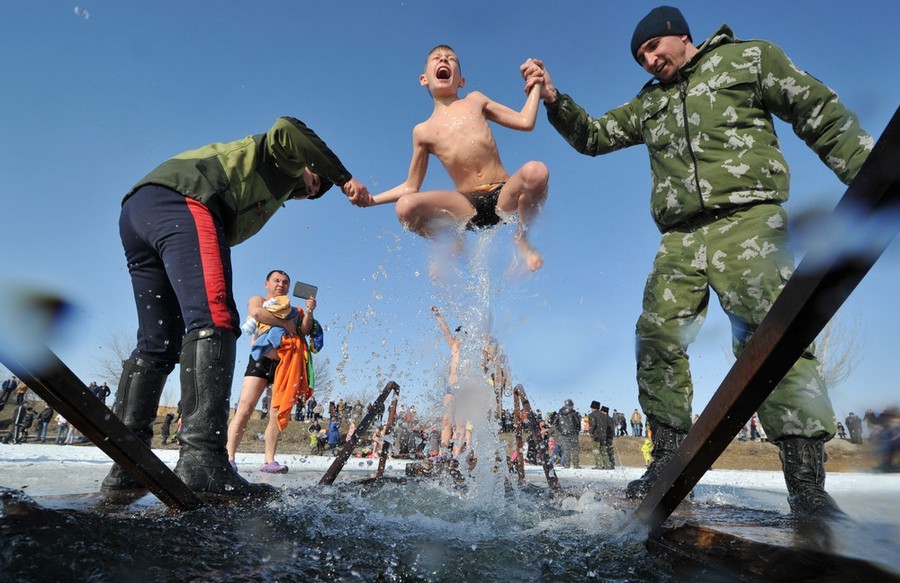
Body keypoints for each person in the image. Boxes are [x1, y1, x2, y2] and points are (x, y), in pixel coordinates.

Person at [522, 6, 871, 518]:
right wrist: (554, 100)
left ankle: (806, 484)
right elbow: (595, 137)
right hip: (680, 237)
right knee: (657, 335)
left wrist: (871, 175)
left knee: (773, 336)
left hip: (748, 218)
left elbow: (816, 110)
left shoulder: (747, 59)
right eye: (640, 57)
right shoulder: (650, 103)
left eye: (652, 48)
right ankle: (665, 460)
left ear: (678, 36)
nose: (648, 61)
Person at [103, 117, 371, 499]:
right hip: (184, 198)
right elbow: (290, 128)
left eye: (314, 192)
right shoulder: (282, 157)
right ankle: (203, 462)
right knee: (215, 319)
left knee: (158, 341)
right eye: (315, 182)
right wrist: (343, 178)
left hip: (139, 211)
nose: (310, 191)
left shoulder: (278, 190)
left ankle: (126, 465)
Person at [372, 45, 550, 273]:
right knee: (405, 208)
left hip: (504, 195)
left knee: (536, 171)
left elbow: (525, 122)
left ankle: (522, 237)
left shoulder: (475, 100)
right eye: (437, 58)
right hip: (467, 206)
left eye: (450, 59)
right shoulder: (423, 131)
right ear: (424, 79)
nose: (443, 60)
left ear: (462, 81)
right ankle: (451, 243)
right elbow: (410, 186)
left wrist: (535, 84)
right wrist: (372, 199)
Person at [226, 269, 319, 474]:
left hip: (285, 364)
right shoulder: (258, 299)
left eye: (285, 282)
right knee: (245, 407)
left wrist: (309, 312)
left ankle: (269, 460)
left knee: (277, 412)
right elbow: (258, 313)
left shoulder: (294, 310)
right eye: (276, 281)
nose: (281, 285)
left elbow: (303, 330)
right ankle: (229, 457)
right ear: (266, 283)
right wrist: (285, 324)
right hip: (261, 361)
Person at [554, 399, 581, 469]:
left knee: (566, 449)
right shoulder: (574, 413)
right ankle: (575, 464)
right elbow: (578, 422)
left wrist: (561, 430)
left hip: (564, 433)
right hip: (573, 432)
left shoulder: (560, 413)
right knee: (575, 449)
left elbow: (555, 423)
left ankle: (567, 464)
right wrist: (577, 430)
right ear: (571, 405)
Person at [587, 401, 612, 469]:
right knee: (604, 451)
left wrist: (591, 432)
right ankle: (608, 465)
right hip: (604, 436)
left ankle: (599, 465)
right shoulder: (604, 415)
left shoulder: (592, 415)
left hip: (596, 435)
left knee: (596, 450)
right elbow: (607, 426)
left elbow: (593, 425)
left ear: (592, 407)